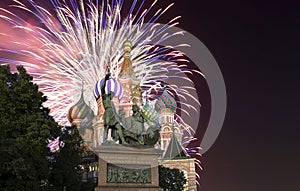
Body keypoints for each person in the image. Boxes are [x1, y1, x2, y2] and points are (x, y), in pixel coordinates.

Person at [101, 72, 127, 144]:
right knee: (106, 127)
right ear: (109, 93)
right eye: (112, 94)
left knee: (118, 126)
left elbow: (115, 111)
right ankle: (104, 140)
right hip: (108, 113)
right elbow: (102, 88)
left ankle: (123, 141)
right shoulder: (104, 98)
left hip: (113, 113)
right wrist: (106, 79)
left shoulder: (112, 103)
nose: (112, 95)